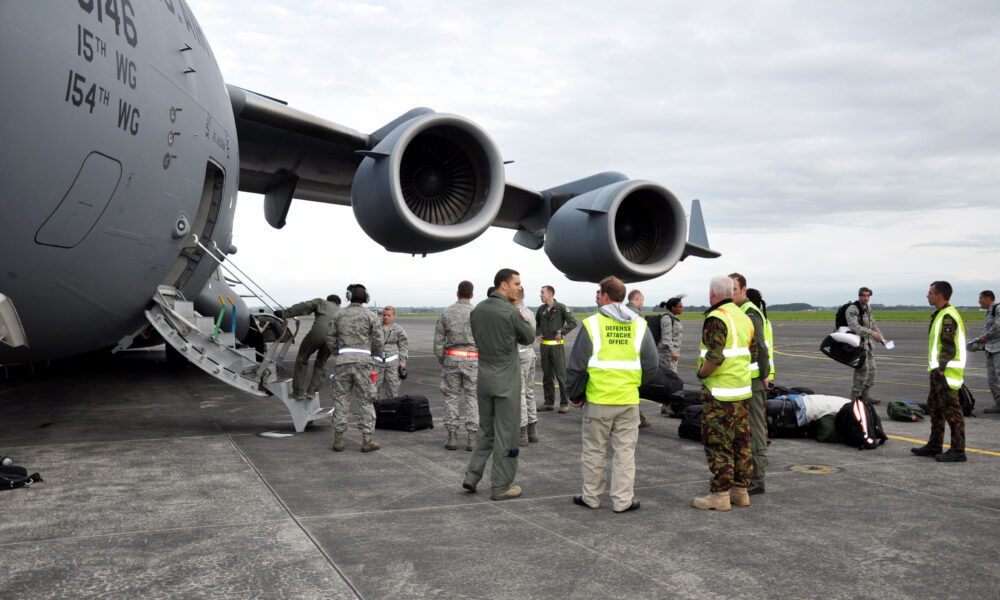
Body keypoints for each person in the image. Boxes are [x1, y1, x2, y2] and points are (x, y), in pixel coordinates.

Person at [566, 276, 658, 512]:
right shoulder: (639, 325)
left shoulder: (592, 324)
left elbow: (577, 366)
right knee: (625, 453)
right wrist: (634, 384)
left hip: (598, 400)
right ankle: (622, 501)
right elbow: (652, 365)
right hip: (627, 400)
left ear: (606, 296)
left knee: (594, 451)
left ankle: (591, 497)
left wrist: (575, 395)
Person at [462, 269, 536, 500]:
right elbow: (529, 336)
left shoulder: (478, 310)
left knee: (486, 430)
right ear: (503, 286)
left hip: (484, 379)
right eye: (516, 284)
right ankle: (501, 485)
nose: (519, 288)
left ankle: (472, 476)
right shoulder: (511, 312)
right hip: (506, 382)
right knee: (507, 434)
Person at [692, 276, 754, 511]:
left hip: (719, 393)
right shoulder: (743, 316)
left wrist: (702, 374)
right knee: (741, 442)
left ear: (712, 294)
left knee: (718, 444)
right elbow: (753, 353)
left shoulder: (717, 318)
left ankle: (719, 495)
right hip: (742, 391)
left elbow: (715, 357)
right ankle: (740, 491)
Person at [912, 281, 968, 462]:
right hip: (938, 371)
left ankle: (958, 450)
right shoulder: (940, 314)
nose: (927, 296)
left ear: (940, 295)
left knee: (953, 412)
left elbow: (949, 347)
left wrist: (942, 369)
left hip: (947, 373)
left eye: (930, 293)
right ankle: (935, 445)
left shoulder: (948, 316)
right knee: (935, 409)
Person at [730, 275, 773, 496]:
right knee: (742, 430)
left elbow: (760, 346)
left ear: (744, 289)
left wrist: (765, 375)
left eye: (735, 289)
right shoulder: (737, 312)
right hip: (742, 381)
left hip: (754, 382)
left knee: (755, 430)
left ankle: (757, 478)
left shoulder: (750, 312)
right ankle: (745, 474)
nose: (731, 293)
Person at [327, 284, 382, 453]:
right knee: (366, 401)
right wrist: (373, 355)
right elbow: (378, 340)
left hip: (343, 362)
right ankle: (367, 440)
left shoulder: (339, 314)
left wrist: (338, 354)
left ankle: (338, 439)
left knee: (341, 400)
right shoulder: (371, 315)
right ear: (365, 298)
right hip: (364, 363)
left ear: (348, 296)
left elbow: (330, 338)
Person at [434, 281, 479, 451]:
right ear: (472, 295)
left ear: (457, 293)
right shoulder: (476, 312)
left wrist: (442, 358)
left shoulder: (447, 312)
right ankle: (472, 438)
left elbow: (438, 340)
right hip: (472, 359)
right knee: (472, 397)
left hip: (452, 358)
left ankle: (452, 436)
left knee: (451, 397)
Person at [275, 294, 340, 400]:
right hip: (333, 339)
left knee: (302, 358)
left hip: (318, 333)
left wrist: (283, 313)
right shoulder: (340, 311)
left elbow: (303, 307)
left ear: (328, 300)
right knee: (321, 362)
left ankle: (298, 392)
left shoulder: (321, 302)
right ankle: (312, 392)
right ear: (339, 304)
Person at [536, 285, 578, 413]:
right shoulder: (541, 309)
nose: (540, 295)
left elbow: (573, 322)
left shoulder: (561, 308)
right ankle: (549, 402)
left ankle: (564, 403)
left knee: (561, 376)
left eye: (542, 292)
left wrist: (561, 331)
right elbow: (537, 323)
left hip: (556, 347)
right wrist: (538, 333)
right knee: (547, 376)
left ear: (550, 294)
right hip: (544, 347)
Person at [846, 287, 884, 403]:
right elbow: (855, 327)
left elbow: (872, 324)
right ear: (859, 296)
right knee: (861, 372)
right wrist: (871, 333)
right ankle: (855, 398)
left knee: (872, 370)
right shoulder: (852, 309)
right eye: (864, 295)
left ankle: (866, 394)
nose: (866, 298)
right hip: (858, 345)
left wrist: (881, 338)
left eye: (868, 296)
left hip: (868, 345)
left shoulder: (868, 308)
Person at [513, 286, 539, 445]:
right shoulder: (529, 312)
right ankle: (532, 429)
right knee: (529, 392)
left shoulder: (515, 313)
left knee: (520, 393)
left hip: (519, 354)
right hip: (530, 353)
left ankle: (522, 432)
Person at [626, 289, 652, 428]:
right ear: (636, 300)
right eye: (642, 301)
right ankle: (638, 418)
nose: (642, 304)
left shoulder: (621, 311)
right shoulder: (636, 316)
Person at [974, 291, 1000, 413]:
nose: (979, 301)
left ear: (988, 298)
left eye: (981, 298)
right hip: (990, 349)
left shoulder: (998, 308)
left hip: (998, 349)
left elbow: (998, 327)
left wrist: (985, 337)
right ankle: (999, 403)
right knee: (992, 379)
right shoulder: (989, 312)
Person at [375, 306, 408, 400]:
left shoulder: (398, 330)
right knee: (374, 390)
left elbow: (403, 347)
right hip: (377, 363)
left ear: (393, 316)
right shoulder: (376, 328)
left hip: (392, 364)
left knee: (392, 389)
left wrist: (402, 362)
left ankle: (392, 411)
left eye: (389, 315)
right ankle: (376, 411)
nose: (386, 317)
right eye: (384, 315)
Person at [658, 296, 684, 375]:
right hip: (667, 356)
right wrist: (672, 352)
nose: (682, 308)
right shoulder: (667, 319)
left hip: (672, 355)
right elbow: (666, 338)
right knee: (670, 377)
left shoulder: (673, 318)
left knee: (671, 377)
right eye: (680, 307)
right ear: (673, 308)